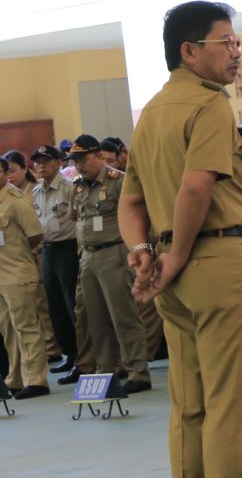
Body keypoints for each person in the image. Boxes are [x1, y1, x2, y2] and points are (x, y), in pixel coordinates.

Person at [117, 1, 242, 476]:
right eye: (226, 42)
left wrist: (145, 255)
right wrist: (177, 257)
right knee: (231, 406)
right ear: (190, 51)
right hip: (217, 262)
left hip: (170, 273)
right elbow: (197, 185)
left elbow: (131, 202)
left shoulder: (153, 111)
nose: (237, 51)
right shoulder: (209, 103)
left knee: (190, 404)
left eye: (236, 42)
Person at [67, 135, 152, 393]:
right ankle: (106, 372)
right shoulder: (78, 186)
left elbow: (136, 215)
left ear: (98, 157)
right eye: (76, 161)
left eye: (83, 159)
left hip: (114, 253)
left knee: (123, 316)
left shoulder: (118, 182)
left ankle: (138, 371)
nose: (79, 165)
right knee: (96, 319)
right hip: (89, 257)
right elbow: (75, 217)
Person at [0, 166, 49, 400]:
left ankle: (36, 380)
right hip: (1, 277)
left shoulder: (15, 200)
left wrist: (25, 253)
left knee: (26, 327)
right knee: (8, 330)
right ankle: (16, 378)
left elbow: (35, 233)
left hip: (17, 273)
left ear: (3, 173)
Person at [31, 144, 78, 379]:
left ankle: (82, 358)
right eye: (37, 161)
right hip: (47, 252)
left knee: (73, 305)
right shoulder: (36, 192)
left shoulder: (69, 189)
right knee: (55, 307)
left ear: (59, 162)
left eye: (46, 160)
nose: (41, 165)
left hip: (68, 249)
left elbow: (78, 220)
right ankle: (69, 355)